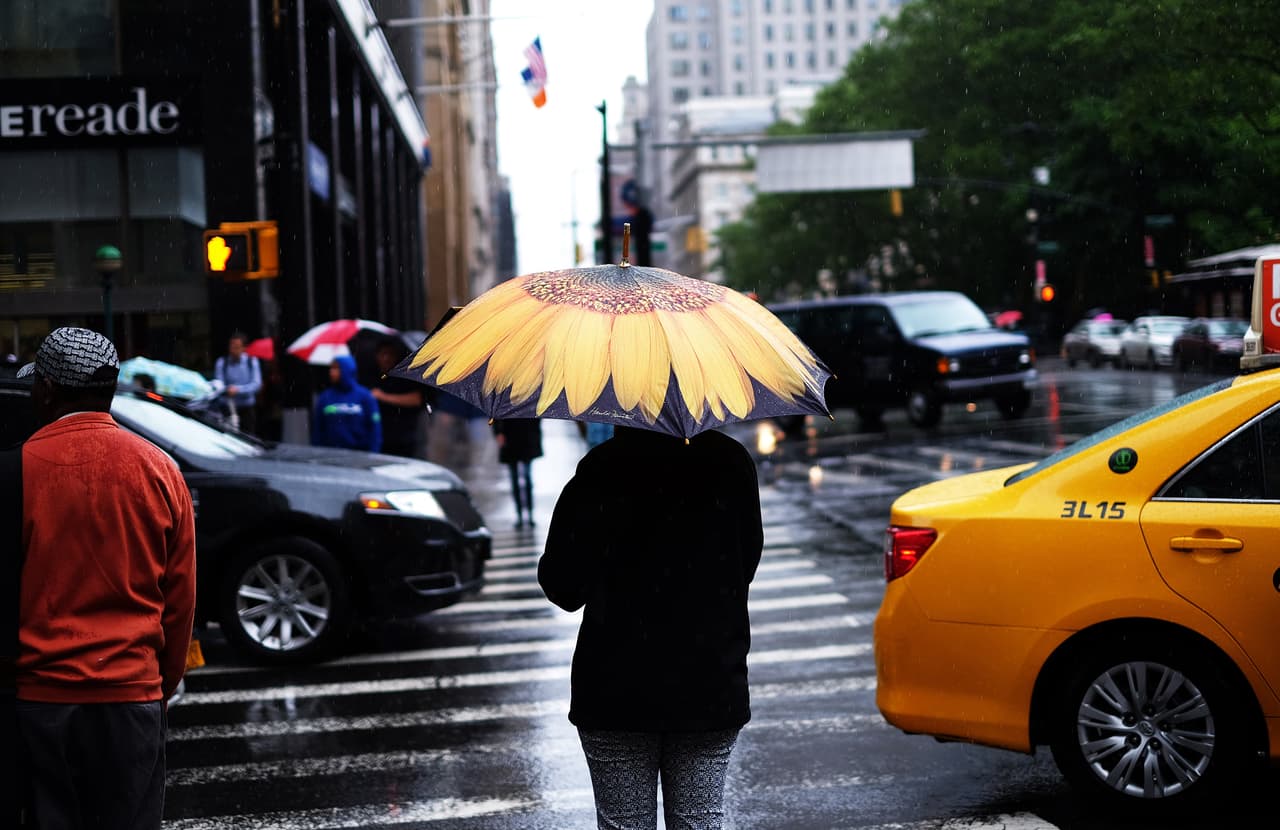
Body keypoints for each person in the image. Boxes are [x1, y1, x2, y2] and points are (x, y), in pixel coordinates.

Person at [14, 327, 197, 830]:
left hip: (40, 700)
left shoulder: (19, 468)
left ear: (47, 390)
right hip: (130, 695)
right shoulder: (160, 469)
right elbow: (180, 600)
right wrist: (162, 682)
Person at [538, 426, 763, 830]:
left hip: (618, 686)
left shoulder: (602, 469)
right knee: (699, 821)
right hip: (708, 679)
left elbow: (563, 587)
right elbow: (744, 565)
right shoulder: (730, 461)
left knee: (625, 824)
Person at [313, 354, 382, 453]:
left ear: (347, 369)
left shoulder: (365, 396)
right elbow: (318, 430)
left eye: (336, 368)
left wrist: (373, 453)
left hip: (359, 455)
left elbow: (375, 429)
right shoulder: (325, 397)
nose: (331, 372)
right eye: (331, 368)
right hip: (330, 456)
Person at [370, 337, 426, 458]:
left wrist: (383, 397)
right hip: (381, 438)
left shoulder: (405, 376)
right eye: (382, 354)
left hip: (404, 438)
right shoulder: (372, 377)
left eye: (390, 354)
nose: (386, 358)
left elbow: (416, 399)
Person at [492, 418, 542, 529]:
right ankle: (520, 515)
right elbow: (496, 414)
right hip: (511, 437)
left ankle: (529, 514)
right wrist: (498, 433)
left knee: (526, 478)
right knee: (515, 479)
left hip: (526, 436)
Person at [213, 332, 262, 434]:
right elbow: (218, 384)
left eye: (236, 347)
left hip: (246, 408)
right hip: (227, 408)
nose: (232, 350)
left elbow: (256, 384)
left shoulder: (251, 361)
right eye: (231, 346)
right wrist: (227, 390)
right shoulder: (222, 362)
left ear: (244, 348)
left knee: (249, 437)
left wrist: (238, 390)